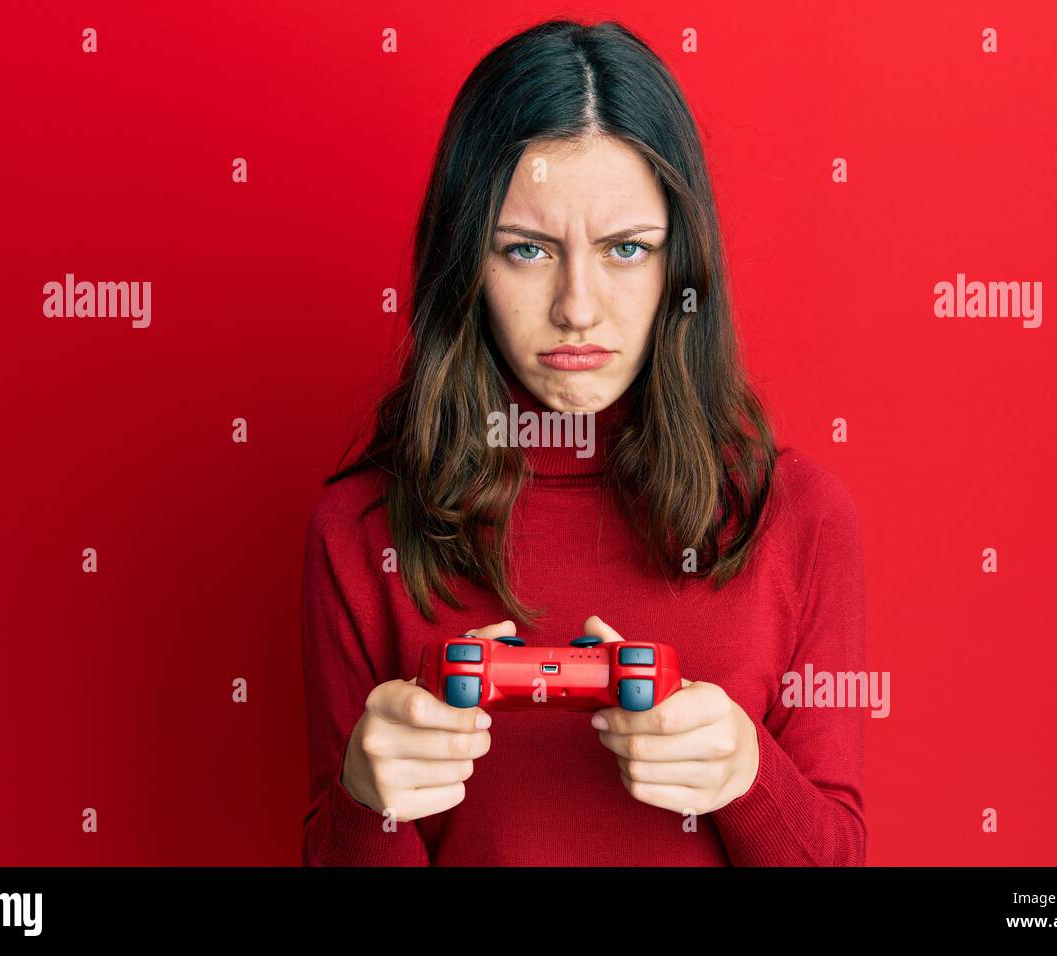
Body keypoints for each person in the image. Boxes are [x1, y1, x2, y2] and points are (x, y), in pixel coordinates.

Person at [299, 18, 867, 866]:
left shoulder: (800, 516)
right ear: (465, 264)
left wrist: (749, 777)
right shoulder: (358, 531)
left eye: (627, 250)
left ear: (683, 267)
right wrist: (364, 799)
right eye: (526, 250)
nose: (577, 307)